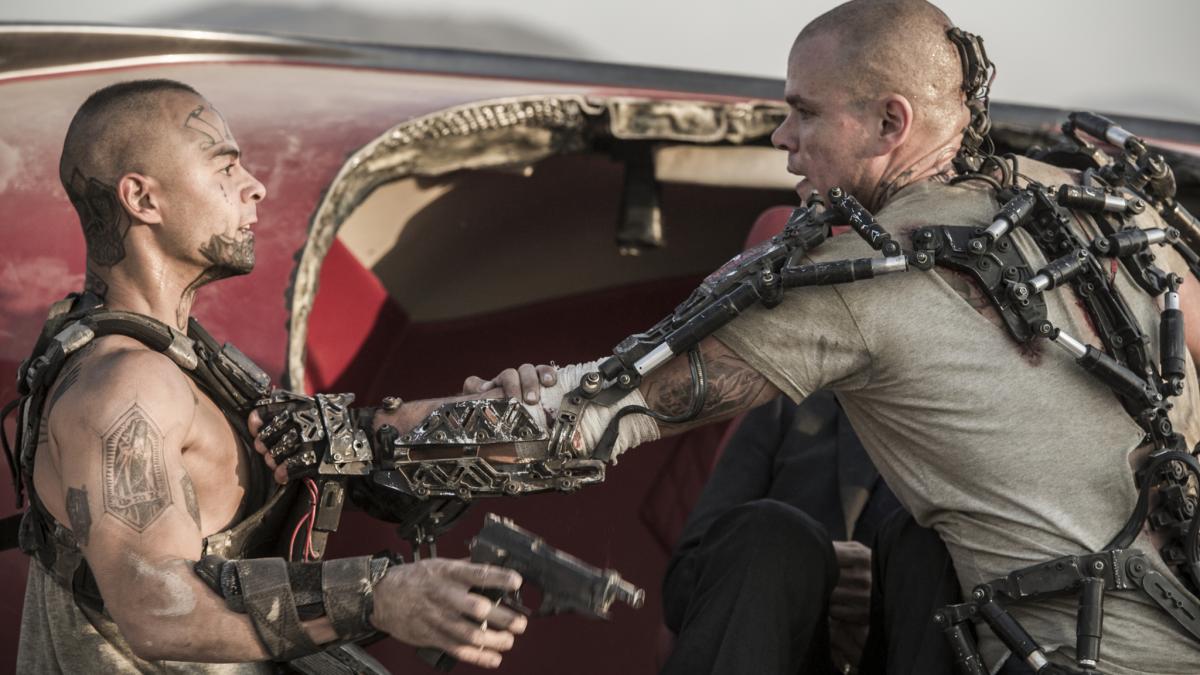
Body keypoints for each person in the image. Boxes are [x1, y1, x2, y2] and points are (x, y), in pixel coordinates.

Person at [407, 1, 1200, 672]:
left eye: (806, 112)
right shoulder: (1117, 219)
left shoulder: (860, 274)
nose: (782, 137)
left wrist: (378, 430)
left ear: (891, 121)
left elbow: (584, 418)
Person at [14, 80, 541, 672]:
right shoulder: (125, 384)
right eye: (225, 167)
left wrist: (495, 414)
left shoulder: (190, 365)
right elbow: (157, 608)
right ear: (142, 198)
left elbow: (345, 441)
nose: (254, 186)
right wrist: (377, 596)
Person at [660, 391, 902, 675]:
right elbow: (684, 581)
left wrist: (887, 603)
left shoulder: (951, 462)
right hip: (759, 648)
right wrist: (797, 565)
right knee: (773, 528)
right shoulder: (787, 403)